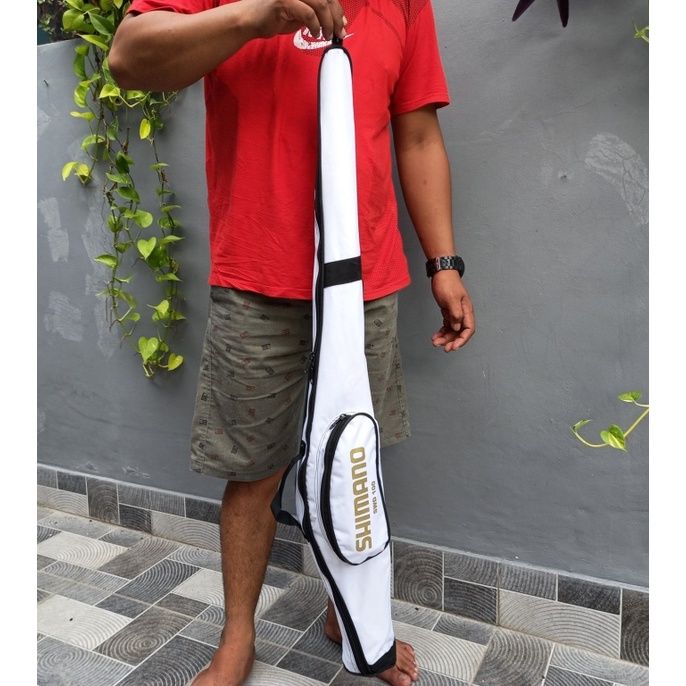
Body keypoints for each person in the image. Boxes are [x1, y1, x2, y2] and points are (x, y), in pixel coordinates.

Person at [109, 1, 475, 684]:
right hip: (258, 278)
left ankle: (350, 610)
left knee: (354, 458)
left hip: (363, 283)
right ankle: (238, 634)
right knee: (254, 469)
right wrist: (256, 17)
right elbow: (129, 58)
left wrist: (444, 263)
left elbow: (418, 134)